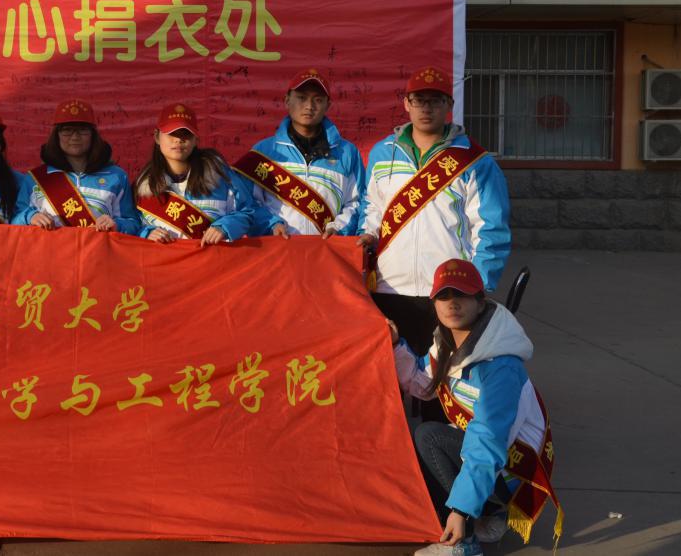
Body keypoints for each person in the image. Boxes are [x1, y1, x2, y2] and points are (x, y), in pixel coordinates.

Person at [394, 259, 561, 556]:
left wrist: (460, 510)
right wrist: (396, 345)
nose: (452, 303)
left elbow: (488, 440)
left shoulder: (500, 367)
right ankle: (489, 514)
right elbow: (422, 384)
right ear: (434, 303)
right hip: (495, 461)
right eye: (443, 296)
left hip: (515, 474)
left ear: (481, 302)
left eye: (461, 294)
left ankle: (465, 542)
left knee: (429, 437)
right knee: (424, 438)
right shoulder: (448, 341)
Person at [357, 67, 511, 356]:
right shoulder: (382, 153)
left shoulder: (473, 161)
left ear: (449, 105)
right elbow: (372, 208)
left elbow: (491, 228)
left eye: (435, 100)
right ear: (406, 103)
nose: (426, 108)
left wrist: (476, 286)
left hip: (448, 292)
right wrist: (368, 234)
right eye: (419, 100)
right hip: (389, 288)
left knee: (444, 375)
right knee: (394, 373)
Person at [234, 68, 365, 239]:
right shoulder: (264, 152)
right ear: (287, 100)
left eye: (318, 100)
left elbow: (357, 202)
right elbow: (247, 203)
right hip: (278, 250)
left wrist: (339, 228)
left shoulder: (347, 153)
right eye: (302, 98)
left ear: (328, 105)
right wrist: (272, 224)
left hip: (326, 250)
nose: (309, 106)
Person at [12, 99, 140, 235]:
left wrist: (117, 224)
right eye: (67, 130)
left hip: (98, 248)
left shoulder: (116, 176)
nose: (75, 137)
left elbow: (133, 223)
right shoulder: (35, 178)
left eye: (82, 130)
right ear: (56, 135)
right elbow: (13, 222)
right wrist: (30, 217)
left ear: (93, 135)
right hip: (51, 248)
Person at [133, 103, 254, 245]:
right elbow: (130, 224)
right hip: (163, 259)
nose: (178, 140)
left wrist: (224, 227)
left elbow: (248, 211)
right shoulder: (143, 186)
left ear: (196, 139)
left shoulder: (219, 175)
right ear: (157, 137)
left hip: (211, 258)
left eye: (186, 134)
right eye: (172, 133)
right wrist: (146, 232)